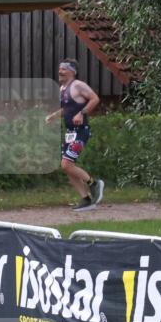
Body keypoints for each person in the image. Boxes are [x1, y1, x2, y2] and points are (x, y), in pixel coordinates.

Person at [45, 58, 104, 211]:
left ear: (72, 71)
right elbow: (67, 109)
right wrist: (53, 116)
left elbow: (95, 99)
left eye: (63, 69)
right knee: (67, 167)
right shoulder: (63, 89)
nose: (60, 71)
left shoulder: (78, 85)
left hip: (81, 131)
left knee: (66, 164)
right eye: (59, 68)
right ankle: (86, 199)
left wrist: (82, 113)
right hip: (70, 132)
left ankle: (94, 184)